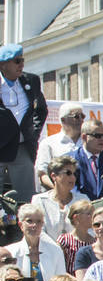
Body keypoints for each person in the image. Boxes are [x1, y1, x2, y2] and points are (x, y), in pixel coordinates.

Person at [0, 43, 51, 200]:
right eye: (17, 61)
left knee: (27, 198)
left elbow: (41, 110)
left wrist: (33, 133)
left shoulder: (31, 80)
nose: (21, 65)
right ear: (2, 65)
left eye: (22, 60)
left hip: (22, 147)